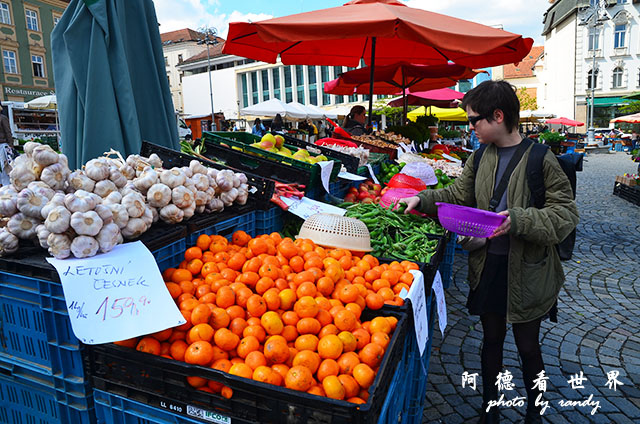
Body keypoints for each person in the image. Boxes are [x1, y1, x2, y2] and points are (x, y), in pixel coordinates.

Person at [400, 80, 579, 424]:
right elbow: (458, 194)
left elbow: (565, 215)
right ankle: (490, 409)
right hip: (488, 267)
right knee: (491, 341)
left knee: (528, 347)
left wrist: (520, 220)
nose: (470, 127)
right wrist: (420, 200)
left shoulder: (541, 159)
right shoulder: (481, 156)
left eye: (474, 120)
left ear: (498, 116)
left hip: (529, 271)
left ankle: (535, 412)